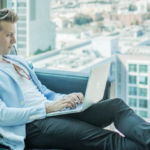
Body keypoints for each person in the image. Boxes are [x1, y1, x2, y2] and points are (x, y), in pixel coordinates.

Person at [0, 8, 150, 150]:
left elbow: (43, 92)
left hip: (52, 111)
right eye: (8, 35)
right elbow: (3, 115)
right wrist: (47, 108)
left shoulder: (17, 61)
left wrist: (66, 99)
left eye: (14, 34)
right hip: (31, 124)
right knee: (110, 140)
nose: (14, 40)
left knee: (116, 106)